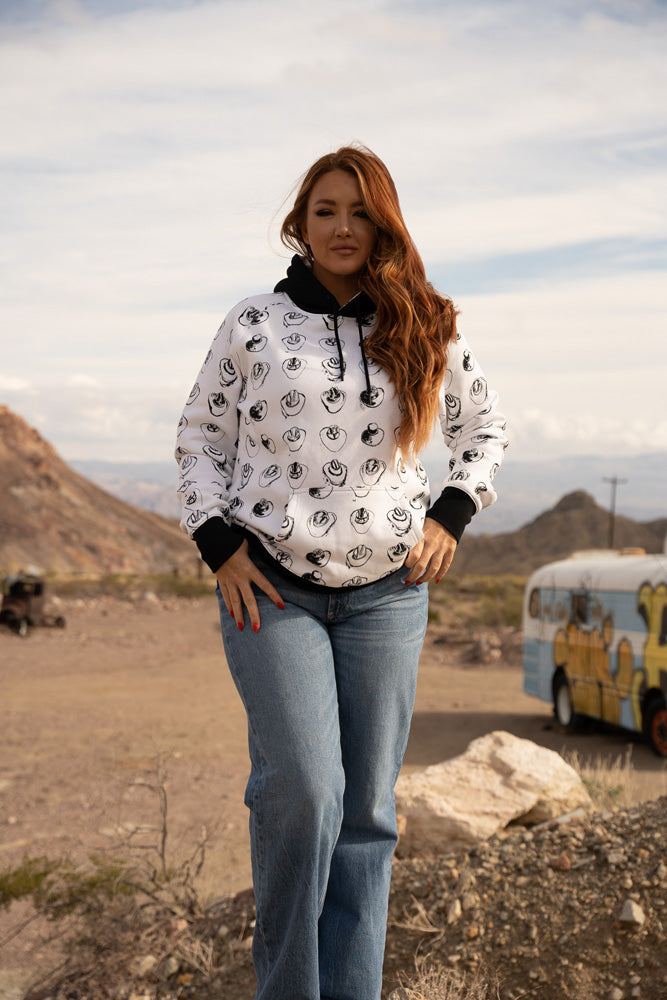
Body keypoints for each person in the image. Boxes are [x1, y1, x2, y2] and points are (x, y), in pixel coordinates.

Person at [175, 144, 507, 1000]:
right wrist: (219, 546)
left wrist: (451, 516)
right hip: (272, 588)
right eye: (326, 210)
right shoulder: (252, 323)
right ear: (301, 222)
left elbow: (484, 431)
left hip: (387, 598)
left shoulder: (424, 320)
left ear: (383, 222)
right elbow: (200, 439)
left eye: (359, 211)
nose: (342, 227)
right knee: (305, 794)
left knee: (366, 813)